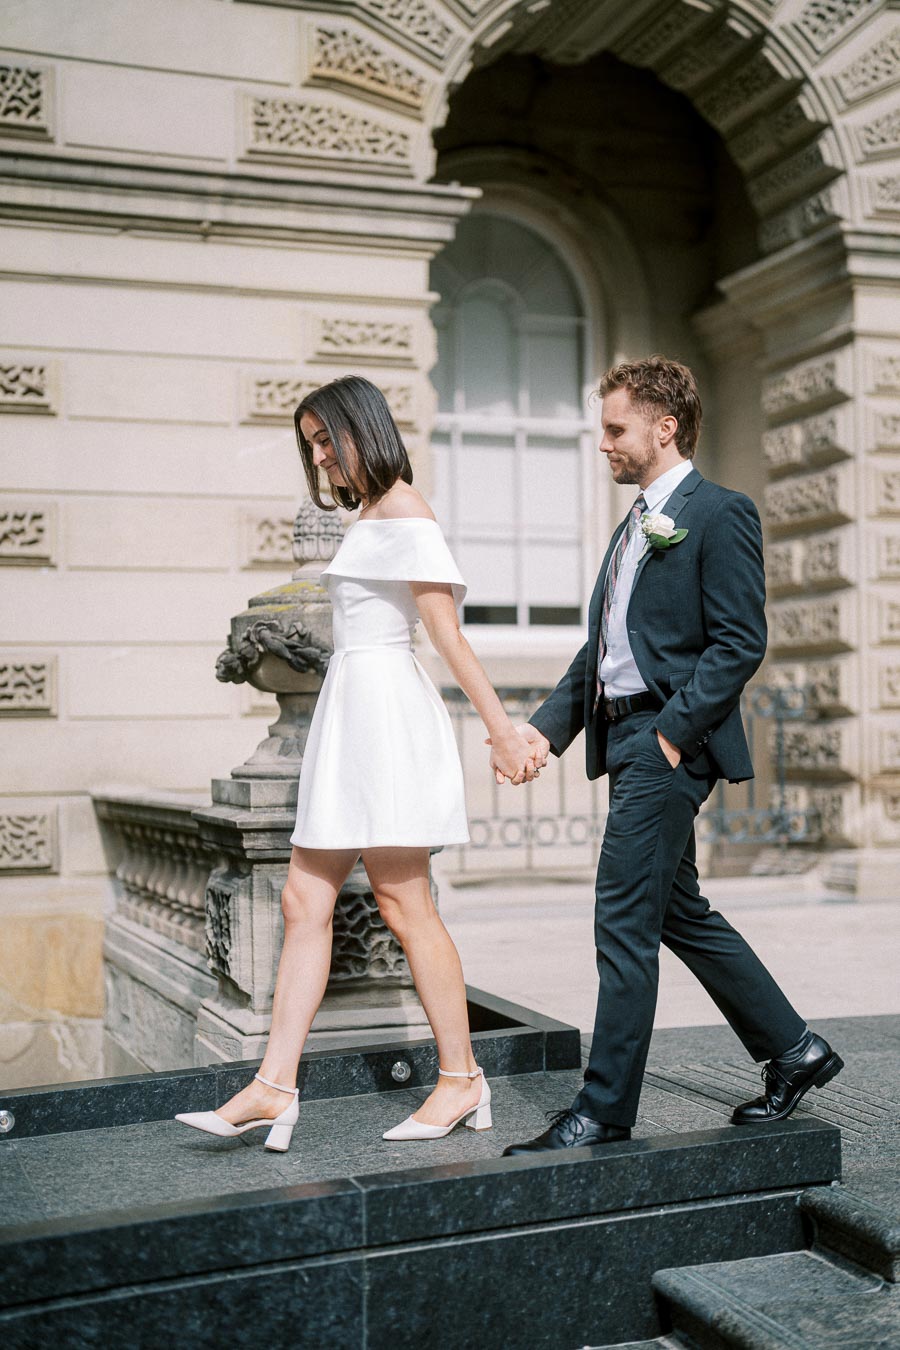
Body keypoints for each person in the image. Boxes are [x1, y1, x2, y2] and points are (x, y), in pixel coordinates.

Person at [176, 374, 537, 1151]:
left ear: (360, 429)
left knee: (407, 906)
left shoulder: (405, 512)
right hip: (352, 716)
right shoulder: (371, 515)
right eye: (309, 444)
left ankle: (460, 1078)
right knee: (304, 902)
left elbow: (447, 636)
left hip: (387, 720)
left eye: (324, 439)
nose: (318, 456)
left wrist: (503, 732)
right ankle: (274, 1086)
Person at [502, 356, 843, 1156]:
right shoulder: (632, 526)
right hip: (625, 737)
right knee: (677, 912)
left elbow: (739, 642)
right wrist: (545, 732)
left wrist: (669, 734)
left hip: (666, 741)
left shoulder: (720, 513)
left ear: (664, 428)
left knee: (622, 921)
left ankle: (604, 1109)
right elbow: (603, 651)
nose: (604, 445)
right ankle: (795, 1051)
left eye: (615, 429)